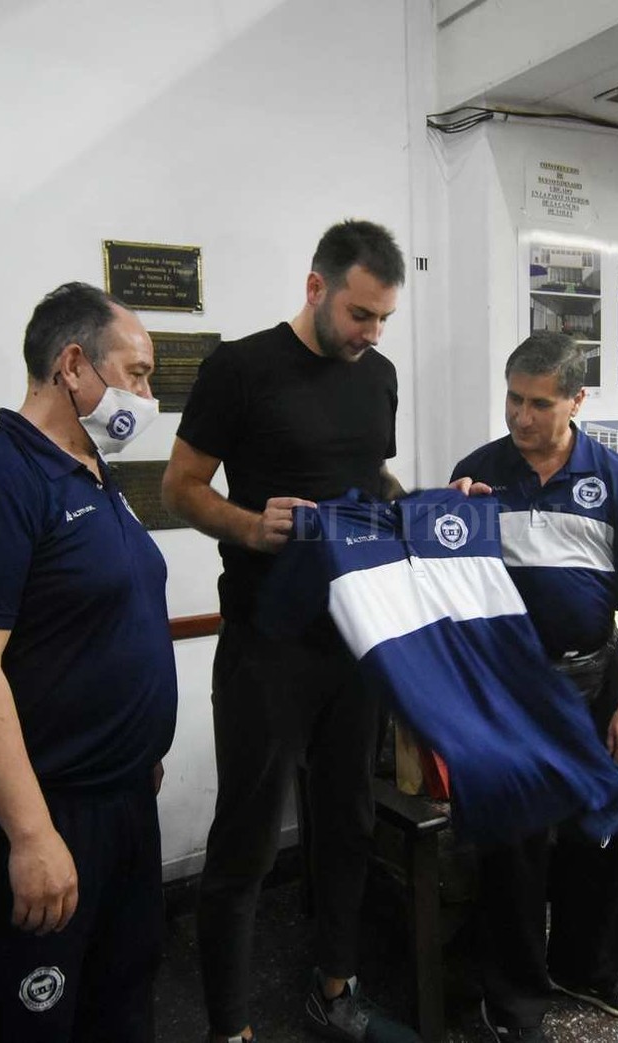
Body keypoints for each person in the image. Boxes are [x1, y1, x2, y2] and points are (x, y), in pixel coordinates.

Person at [163, 220, 420, 1043]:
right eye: (359, 313)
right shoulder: (239, 368)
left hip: (353, 632)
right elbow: (179, 486)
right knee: (245, 838)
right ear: (315, 288)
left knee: (347, 820)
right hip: (266, 640)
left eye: (382, 318)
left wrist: (419, 506)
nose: (370, 333)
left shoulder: (377, 376)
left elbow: (369, 474)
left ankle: (334, 991)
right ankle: (229, 1028)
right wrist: (250, 526)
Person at [0, 282, 179, 1042]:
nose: (147, 396)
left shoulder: (93, 472)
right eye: (137, 374)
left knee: (119, 1004)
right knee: (25, 1020)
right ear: (71, 365)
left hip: (119, 800)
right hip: (39, 813)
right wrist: (32, 836)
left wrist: (135, 751)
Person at [449, 333, 618, 1043]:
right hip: (508, 688)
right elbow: (443, 582)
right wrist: (448, 518)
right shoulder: (477, 473)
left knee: (598, 830)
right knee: (513, 847)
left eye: (540, 403)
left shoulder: (616, 478)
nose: (522, 416)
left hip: (595, 675)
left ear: (577, 400)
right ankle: (512, 998)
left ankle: (588, 968)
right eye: (514, 398)